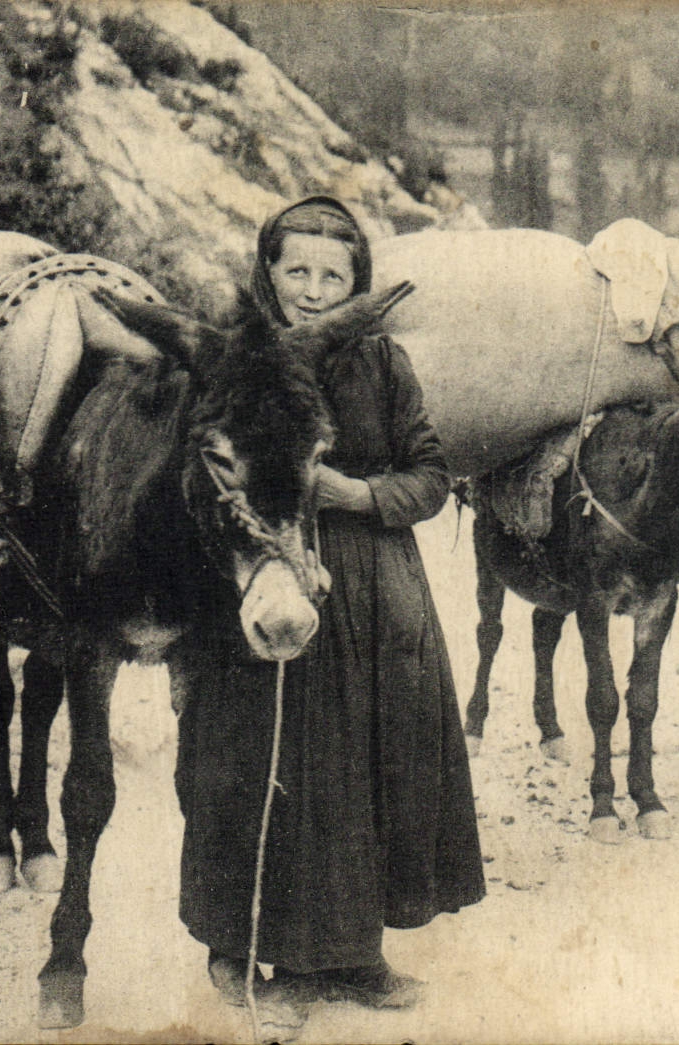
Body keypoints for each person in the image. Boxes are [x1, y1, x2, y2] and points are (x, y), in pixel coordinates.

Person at [172, 196, 484, 1030]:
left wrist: (358, 493)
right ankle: (247, 949)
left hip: (371, 587)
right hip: (261, 580)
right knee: (257, 766)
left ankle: (354, 956)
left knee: (367, 770)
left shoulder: (382, 364)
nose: (312, 291)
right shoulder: (232, 362)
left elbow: (431, 476)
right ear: (267, 273)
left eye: (332, 276)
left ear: (358, 282)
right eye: (296, 271)